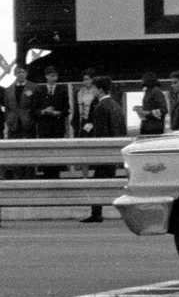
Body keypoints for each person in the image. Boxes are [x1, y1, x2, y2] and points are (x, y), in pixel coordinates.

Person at [81, 75, 126, 223]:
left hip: (105, 152)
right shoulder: (115, 104)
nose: (92, 90)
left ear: (99, 89)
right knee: (104, 182)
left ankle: (96, 213)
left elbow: (101, 133)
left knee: (97, 183)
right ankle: (96, 212)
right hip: (115, 151)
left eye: (94, 87)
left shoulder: (101, 106)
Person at [32, 65, 70, 179]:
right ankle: (46, 175)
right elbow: (34, 109)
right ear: (46, 76)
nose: (53, 78)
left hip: (57, 126)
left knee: (57, 152)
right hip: (44, 127)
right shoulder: (39, 90)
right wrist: (44, 111)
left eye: (55, 75)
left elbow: (67, 109)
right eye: (50, 75)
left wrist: (57, 113)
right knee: (45, 151)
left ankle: (56, 176)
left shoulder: (62, 90)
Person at [133, 71, 168, 135]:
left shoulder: (156, 91)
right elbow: (150, 106)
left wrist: (148, 113)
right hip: (148, 127)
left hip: (154, 129)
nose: (142, 81)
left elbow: (164, 110)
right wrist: (140, 108)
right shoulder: (149, 91)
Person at [72, 68, 98, 139]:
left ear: (92, 80)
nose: (85, 82)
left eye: (87, 79)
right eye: (84, 80)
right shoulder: (80, 92)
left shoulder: (96, 92)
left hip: (93, 120)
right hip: (82, 120)